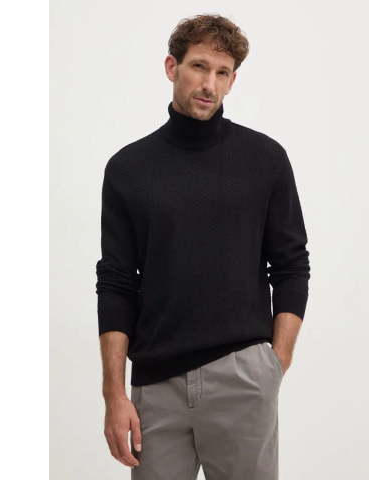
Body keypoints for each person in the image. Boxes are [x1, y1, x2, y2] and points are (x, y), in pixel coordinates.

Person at [95, 13, 310, 480]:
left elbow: (291, 265)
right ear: (171, 67)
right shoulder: (128, 168)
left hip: (243, 376)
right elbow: (116, 282)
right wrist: (114, 392)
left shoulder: (265, 159)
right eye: (199, 66)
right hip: (155, 386)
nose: (209, 84)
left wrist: (275, 363)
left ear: (232, 80)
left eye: (222, 72)